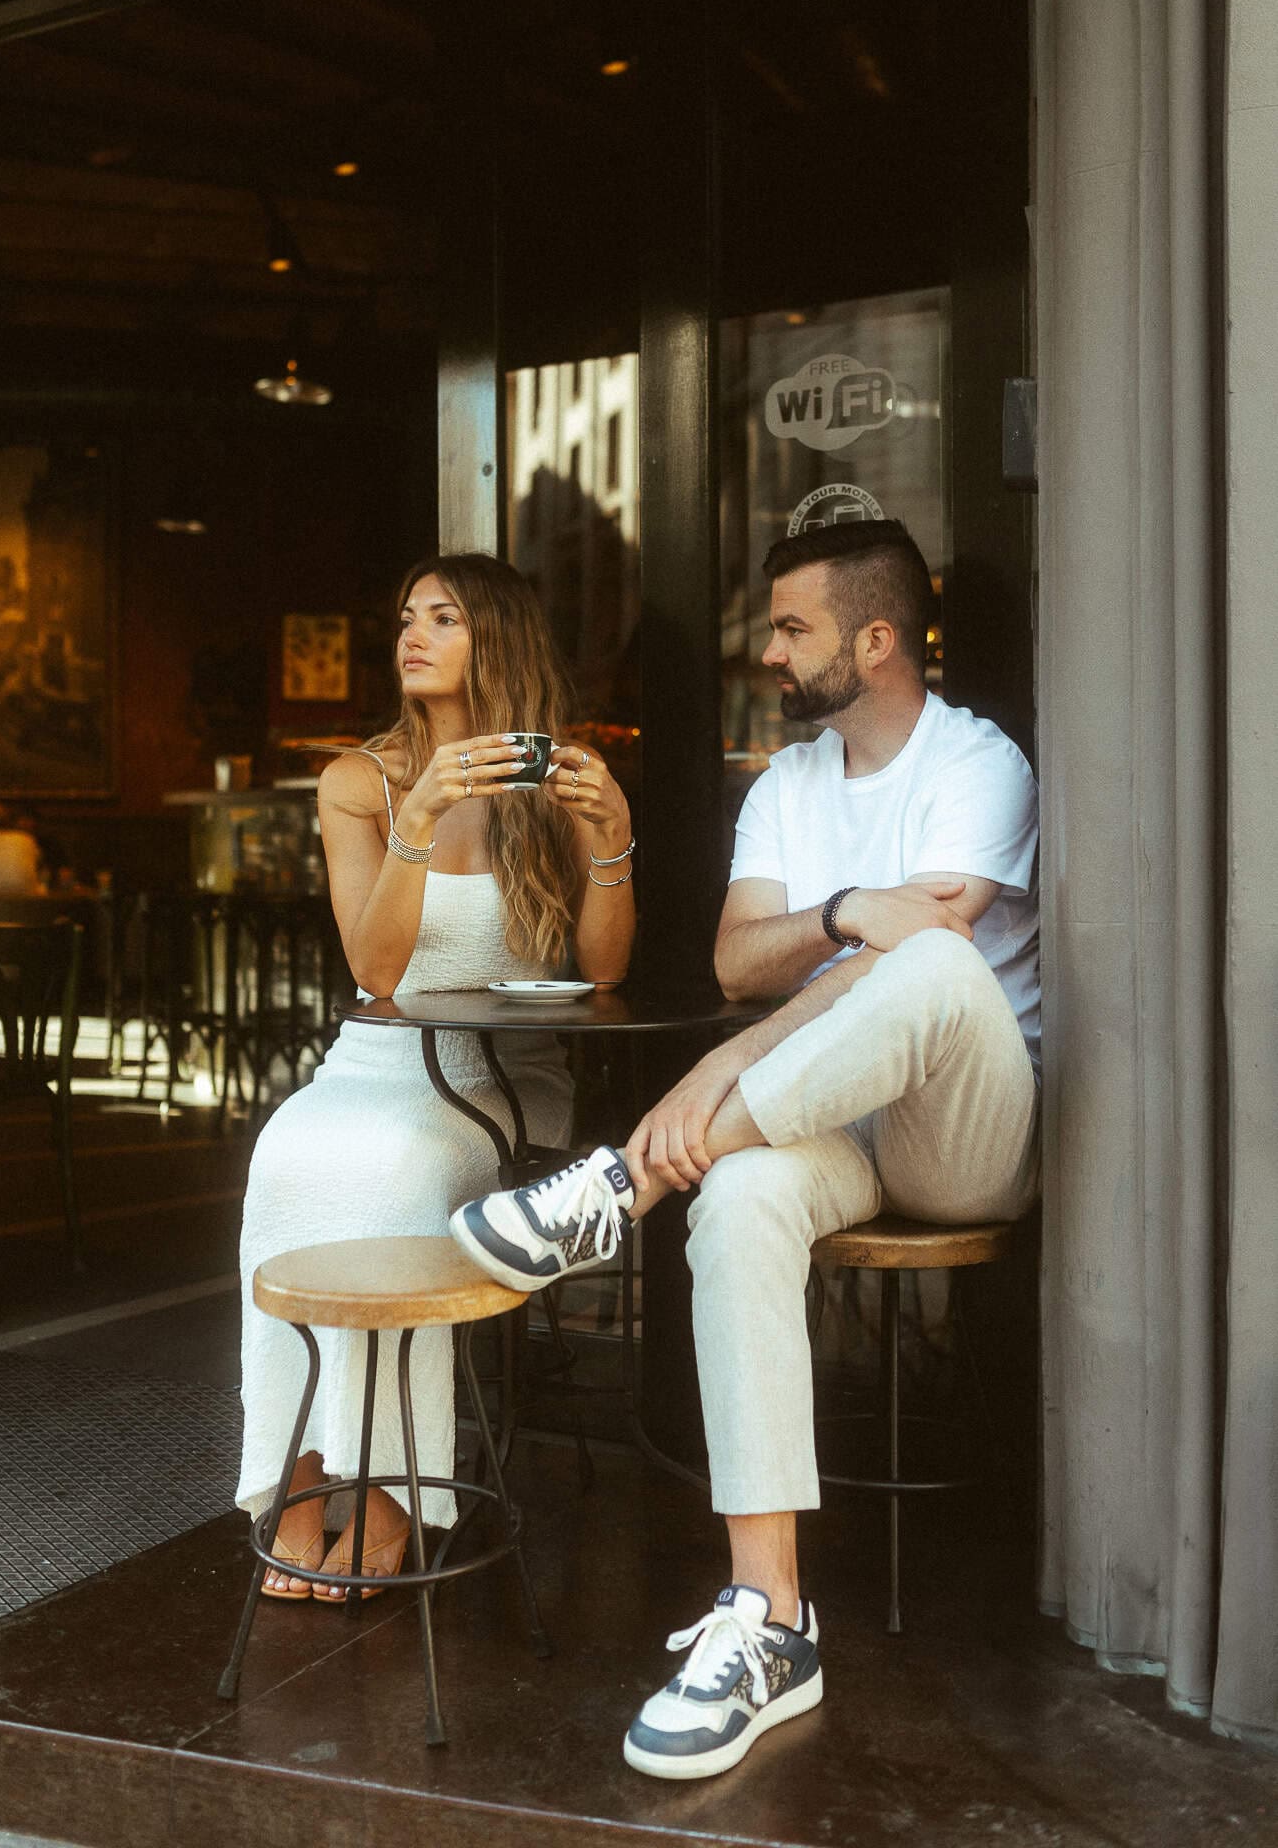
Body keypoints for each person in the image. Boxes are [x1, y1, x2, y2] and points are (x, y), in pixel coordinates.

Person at [451, 519, 1040, 1780]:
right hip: (818, 1122)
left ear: (876, 640)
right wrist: (833, 911)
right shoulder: (784, 786)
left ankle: (626, 1179)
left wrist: (724, 1063)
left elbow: (914, 958)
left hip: (959, 1131)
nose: (767, 649)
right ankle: (771, 1616)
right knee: (742, 1201)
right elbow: (733, 956)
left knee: (930, 953)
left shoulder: (978, 764)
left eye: (792, 628)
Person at [238, 553, 635, 1599]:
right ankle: (305, 1461)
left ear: (494, 639)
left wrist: (616, 838)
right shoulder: (358, 782)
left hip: (498, 1074)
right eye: (407, 614)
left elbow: (603, 970)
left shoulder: (552, 779)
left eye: (444, 616)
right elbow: (375, 971)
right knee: (287, 1155)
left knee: (394, 1180)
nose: (412, 632)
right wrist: (413, 827)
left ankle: (388, 1485)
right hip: (374, 1059)